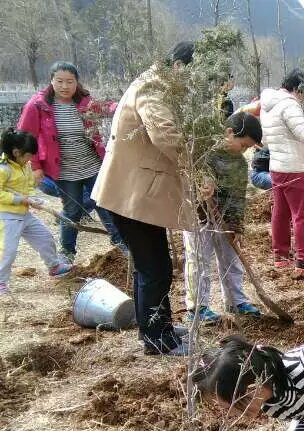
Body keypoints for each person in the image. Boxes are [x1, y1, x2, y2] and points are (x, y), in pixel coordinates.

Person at [92, 41, 196, 356]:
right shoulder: (154, 88)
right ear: (180, 66)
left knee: (151, 266)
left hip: (135, 195)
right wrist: (197, 167)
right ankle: (156, 338)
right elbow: (164, 135)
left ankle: (157, 326)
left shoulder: (156, 83)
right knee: (155, 269)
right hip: (131, 197)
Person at [17, 61, 125, 261]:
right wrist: (36, 166)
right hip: (64, 171)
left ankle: (121, 244)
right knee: (72, 210)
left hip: (92, 165)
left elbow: (106, 108)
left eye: (70, 81)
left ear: (77, 83)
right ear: (51, 81)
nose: (65, 86)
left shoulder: (84, 102)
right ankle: (67, 253)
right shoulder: (38, 106)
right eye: (59, 81)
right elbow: (25, 138)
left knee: (105, 203)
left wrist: (124, 105)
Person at [184, 112, 263, 324]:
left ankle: (236, 300)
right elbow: (191, 174)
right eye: (243, 144)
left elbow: (238, 196)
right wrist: (202, 181)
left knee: (231, 258)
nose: (244, 151)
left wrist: (236, 226)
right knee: (199, 259)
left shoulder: (239, 163)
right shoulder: (203, 151)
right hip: (198, 216)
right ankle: (197, 307)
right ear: (229, 133)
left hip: (225, 217)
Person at [260, 68, 304, 275]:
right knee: (301, 214)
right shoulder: (289, 105)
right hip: (295, 167)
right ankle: (303, 259)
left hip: (277, 166)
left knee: (280, 212)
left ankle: (280, 256)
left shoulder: (268, 104)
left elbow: (264, 139)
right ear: (297, 88)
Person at [0, 129, 74, 295]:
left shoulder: (23, 166)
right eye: (28, 156)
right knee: (8, 251)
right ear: (16, 152)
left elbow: (28, 186)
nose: (30, 160)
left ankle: (54, 266)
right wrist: (21, 200)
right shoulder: (3, 169)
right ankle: (1, 282)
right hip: (7, 217)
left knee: (45, 237)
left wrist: (34, 199)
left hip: (24, 215)